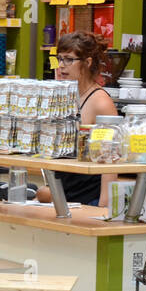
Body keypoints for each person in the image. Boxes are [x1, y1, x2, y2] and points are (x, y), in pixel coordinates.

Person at [36, 31, 119, 207]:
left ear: (87, 63)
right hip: (64, 196)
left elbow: (110, 161)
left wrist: (103, 208)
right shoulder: (65, 96)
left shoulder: (101, 103)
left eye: (68, 59)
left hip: (88, 199)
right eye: (59, 59)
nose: (61, 66)